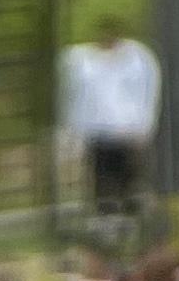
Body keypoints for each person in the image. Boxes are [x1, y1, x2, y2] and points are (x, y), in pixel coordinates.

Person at [57, 20, 161, 230]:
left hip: (127, 133)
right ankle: (107, 224)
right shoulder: (82, 61)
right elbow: (73, 95)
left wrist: (145, 127)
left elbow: (148, 93)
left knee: (129, 181)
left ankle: (132, 224)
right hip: (100, 134)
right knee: (103, 182)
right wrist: (72, 131)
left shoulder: (137, 59)